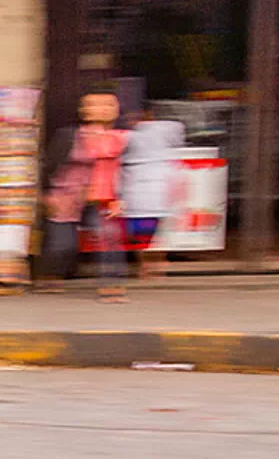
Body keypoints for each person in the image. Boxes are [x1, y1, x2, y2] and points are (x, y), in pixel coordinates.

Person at [39, 85, 129, 301]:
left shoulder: (120, 137)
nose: (104, 109)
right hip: (66, 195)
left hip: (102, 195)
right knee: (63, 244)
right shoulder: (69, 136)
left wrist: (121, 196)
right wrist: (44, 194)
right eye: (96, 104)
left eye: (109, 104)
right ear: (84, 110)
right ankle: (51, 275)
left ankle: (112, 285)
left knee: (110, 237)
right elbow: (49, 166)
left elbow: (123, 168)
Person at [121, 103, 186, 279]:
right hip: (157, 192)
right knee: (154, 232)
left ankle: (146, 266)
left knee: (142, 233)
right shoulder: (168, 132)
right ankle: (155, 265)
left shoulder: (132, 137)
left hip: (143, 193)